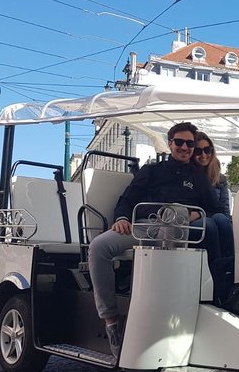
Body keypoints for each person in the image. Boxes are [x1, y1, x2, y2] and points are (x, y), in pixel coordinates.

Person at [88, 121, 219, 359]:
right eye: (179, 142)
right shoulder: (151, 171)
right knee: (99, 246)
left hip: (174, 228)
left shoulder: (198, 176)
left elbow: (213, 208)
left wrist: (195, 213)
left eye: (190, 143)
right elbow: (127, 199)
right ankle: (111, 320)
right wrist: (122, 218)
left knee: (176, 215)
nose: (185, 147)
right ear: (170, 144)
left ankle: (162, 312)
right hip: (142, 226)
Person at [193, 131, 234, 258]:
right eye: (198, 151)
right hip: (196, 218)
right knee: (210, 224)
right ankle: (219, 266)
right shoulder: (189, 174)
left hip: (213, 216)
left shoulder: (219, 178)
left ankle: (230, 263)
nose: (204, 155)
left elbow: (224, 209)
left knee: (221, 220)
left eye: (207, 150)